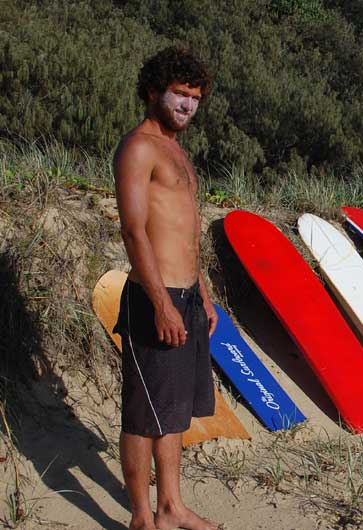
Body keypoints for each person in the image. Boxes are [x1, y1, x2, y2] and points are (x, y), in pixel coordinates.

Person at [112, 46, 220, 530]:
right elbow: (135, 231)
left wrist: (202, 292)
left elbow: (184, 230)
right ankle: (141, 517)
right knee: (142, 414)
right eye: (179, 94)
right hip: (153, 300)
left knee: (172, 412)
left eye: (195, 98)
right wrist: (161, 302)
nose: (188, 106)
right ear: (154, 92)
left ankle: (171, 507)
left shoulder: (177, 150)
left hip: (186, 298)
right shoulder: (138, 147)